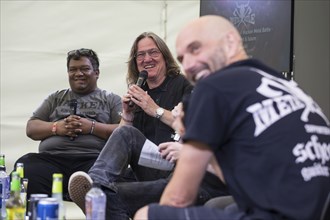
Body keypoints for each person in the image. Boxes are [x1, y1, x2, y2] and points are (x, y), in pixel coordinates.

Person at [134, 15, 330, 220]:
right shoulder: (285, 85)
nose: (189, 65)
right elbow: (246, 179)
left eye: (196, 49)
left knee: (147, 214)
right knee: (227, 208)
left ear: (230, 42)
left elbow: (177, 200)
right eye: (182, 59)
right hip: (309, 209)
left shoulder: (214, 86)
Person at [68, 32, 199, 219]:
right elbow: (123, 140)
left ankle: (93, 188)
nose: (147, 59)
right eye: (140, 55)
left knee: (104, 191)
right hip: (144, 169)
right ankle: (96, 187)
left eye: (153, 52)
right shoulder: (139, 90)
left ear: (164, 56)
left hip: (173, 165)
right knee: (108, 190)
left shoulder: (183, 85)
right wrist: (128, 115)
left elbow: (194, 127)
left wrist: (155, 110)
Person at [13, 48, 123, 201]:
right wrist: (57, 128)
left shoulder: (111, 99)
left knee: (112, 175)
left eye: (85, 69)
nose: (78, 73)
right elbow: (31, 128)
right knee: (25, 166)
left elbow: (124, 131)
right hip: (52, 160)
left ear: (96, 73)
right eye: (73, 70)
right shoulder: (55, 98)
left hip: (93, 160)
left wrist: (91, 127)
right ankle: (41, 214)